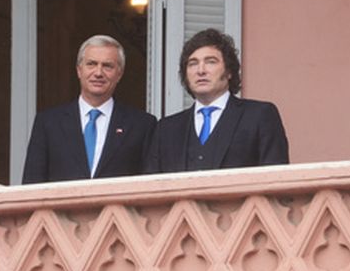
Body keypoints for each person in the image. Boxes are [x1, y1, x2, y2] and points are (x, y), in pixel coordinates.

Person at [146, 28, 289, 173]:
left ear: (229, 72)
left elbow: (276, 180)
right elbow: (150, 187)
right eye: (193, 63)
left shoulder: (259, 116)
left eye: (211, 62)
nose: (200, 70)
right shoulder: (166, 129)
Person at [22, 35, 156, 183]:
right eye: (91, 64)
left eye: (107, 66)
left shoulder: (142, 125)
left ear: (119, 74)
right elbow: (31, 183)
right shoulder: (48, 123)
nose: (98, 73)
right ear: (79, 70)